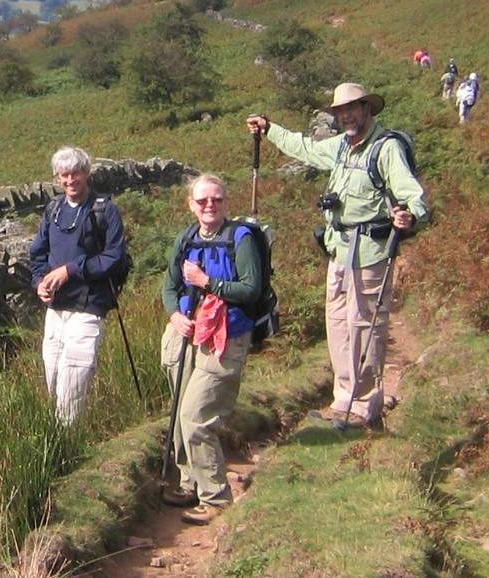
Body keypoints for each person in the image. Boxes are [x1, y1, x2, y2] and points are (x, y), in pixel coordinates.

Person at [246, 83, 428, 428]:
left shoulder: (385, 149)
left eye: (351, 109)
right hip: (339, 251)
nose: (345, 116)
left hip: (371, 253)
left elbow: (413, 195)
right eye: (340, 112)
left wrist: (409, 216)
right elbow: (306, 149)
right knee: (339, 326)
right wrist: (270, 130)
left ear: (366, 109)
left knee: (365, 327)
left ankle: (364, 405)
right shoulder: (342, 147)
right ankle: (343, 399)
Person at [160, 173, 264, 524]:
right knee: (178, 413)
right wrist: (174, 314)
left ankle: (216, 499)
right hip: (187, 330)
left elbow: (252, 289)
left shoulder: (241, 239)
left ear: (225, 202)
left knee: (195, 417)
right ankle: (190, 482)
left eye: (216, 199)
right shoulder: (186, 238)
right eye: (202, 200)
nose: (209, 205)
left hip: (225, 336)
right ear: (191, 204)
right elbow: (169, 285)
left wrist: (208, 283)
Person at [29, 146, 128, 424]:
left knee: (72, 385)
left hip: (88, 308)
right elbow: (37, 253)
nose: (70, 180)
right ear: (57, 178)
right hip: (56, 309)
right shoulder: (53, 210)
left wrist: (70, 270)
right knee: (53, 379)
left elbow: (114, 257)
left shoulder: (104, 211)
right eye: (64, 175)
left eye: (75, 174)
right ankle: (60, 444)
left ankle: (70, 445)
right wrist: (39, 282)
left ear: (86, 174)